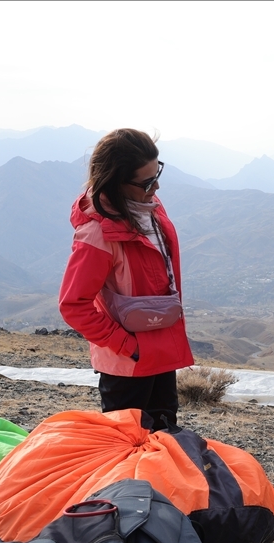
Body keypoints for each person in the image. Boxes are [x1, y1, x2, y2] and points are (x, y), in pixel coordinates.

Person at [59, 129, 193, 429]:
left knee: (165, 443)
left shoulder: (149, 209)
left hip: (161, 351)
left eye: (157, 173)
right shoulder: (97, 234)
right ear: (116, 182)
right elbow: (73, 305)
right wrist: (128, 346)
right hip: (128, 367)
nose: (156, 186)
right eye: (146, 182)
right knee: (125, 451)